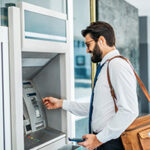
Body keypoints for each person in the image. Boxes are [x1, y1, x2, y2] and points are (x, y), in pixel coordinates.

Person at [43, 21, 139, 150]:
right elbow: (98, 107)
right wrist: (61, 103)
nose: (87, 50)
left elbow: (129, 111)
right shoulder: (107, 66)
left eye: (89, 45)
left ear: (101, 40)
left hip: (112, 143)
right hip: (106, 141)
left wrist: (99, 139)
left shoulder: (117, 65)